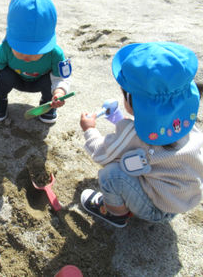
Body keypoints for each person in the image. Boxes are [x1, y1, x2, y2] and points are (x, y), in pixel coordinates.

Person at [79, 42, 203, 228]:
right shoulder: (186, 125)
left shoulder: (134, 136)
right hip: (183, 200)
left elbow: (100, 152)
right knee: (140, 161)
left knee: (111, 175)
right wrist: (119, 120)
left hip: (156, 209)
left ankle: (116, 214)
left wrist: (89, 129)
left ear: (131, 100)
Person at [0, 0, 72, 124]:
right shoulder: (5, 48)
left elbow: (61, 77)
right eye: (20, 49)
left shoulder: (55, 54)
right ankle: (0, 100)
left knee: (51, 81)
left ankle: (48, 104)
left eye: (35, 51)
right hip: (16, 79)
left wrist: (60, 92)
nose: (27, 56)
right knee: (2, 74)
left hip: (40, 82)